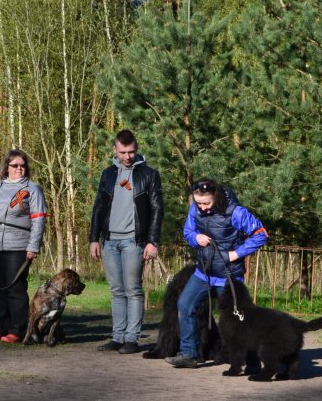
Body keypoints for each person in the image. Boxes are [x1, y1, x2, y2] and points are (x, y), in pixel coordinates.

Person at [165, 178, 268, 368]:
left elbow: (261, 234)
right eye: (198, 203)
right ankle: (189, 354)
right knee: (185, 305)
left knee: (237, 317)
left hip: (229, 275)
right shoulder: (195, 209)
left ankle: (253, 358)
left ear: (216, 197)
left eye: (206, 203)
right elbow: (188, 231)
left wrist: (236, 253)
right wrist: (196, 237)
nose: (202, 207)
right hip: (203, 272)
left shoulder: (236, 212)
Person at [89, 129, 163, 353]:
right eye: (123, 152)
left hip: (134, 241)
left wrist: (153, 242)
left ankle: (132, 338)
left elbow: (157, 209)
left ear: (136, 149)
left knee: (133, 289)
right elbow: (98, 208)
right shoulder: (107, 174)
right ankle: (118, 337)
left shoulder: (149, 175)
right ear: (114, 149)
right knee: (116, 290)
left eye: (131, 151)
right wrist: (94, 238)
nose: (127, 156)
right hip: (110, 241)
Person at [0, 149, 47, 343]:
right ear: (7, 168)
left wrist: (34, 246)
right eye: (15, 165)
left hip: (19, 244)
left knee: (15, 288)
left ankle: (17, 329)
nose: (19, 169)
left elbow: (39, 220)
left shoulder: (33, 189)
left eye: (22, 166)